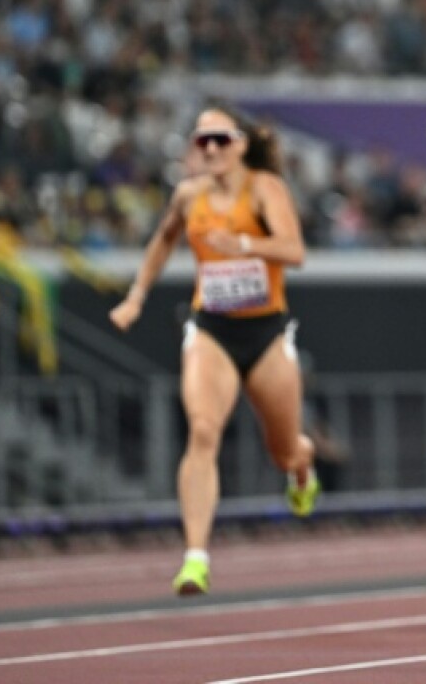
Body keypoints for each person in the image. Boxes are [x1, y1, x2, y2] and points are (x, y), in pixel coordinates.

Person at [109, 105, 320, 596]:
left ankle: (302, 466)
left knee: (284, 450)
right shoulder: (189, 195)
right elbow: (162, 241)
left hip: (266, 333)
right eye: (201, 140)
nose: (210, 149)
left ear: (241, 145)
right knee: (203, 431)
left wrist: (242, 244)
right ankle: (195, 558)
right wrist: (135, 297)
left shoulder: (264, 189)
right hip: (212, 329)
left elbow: (294, 252)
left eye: (220, 139)